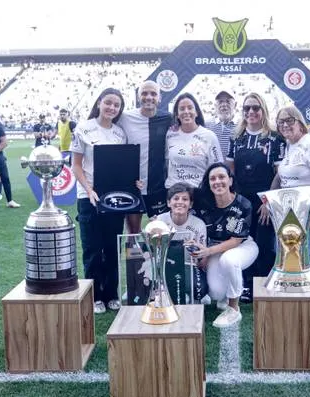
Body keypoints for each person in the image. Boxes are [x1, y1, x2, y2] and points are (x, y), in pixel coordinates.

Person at [70, 87, 127, 314]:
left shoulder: (119, 133)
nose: (112, 108)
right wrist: (89, 189)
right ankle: (95, 296)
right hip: (88, 197)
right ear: (99, 103)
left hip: (113, 199)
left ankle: (112, 294)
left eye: (116, 105)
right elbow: (76, 166)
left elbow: (122, 166)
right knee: (92, 248)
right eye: (108, 103)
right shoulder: (83, 129)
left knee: (112, 248)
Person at [226, 93, 285, 301]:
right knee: (241, 242)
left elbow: (279, 174)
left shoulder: (275, 138)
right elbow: (231, 171)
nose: (251, 112)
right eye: (247, 108)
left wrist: (268, 202)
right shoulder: (236, 138)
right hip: (242, 202)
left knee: (264, 243)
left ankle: (263, 285)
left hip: (264, 201)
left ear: (263, 110)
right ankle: (246, 286)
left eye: (256, 107)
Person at [193, 163, 259, 328]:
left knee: (229, 260)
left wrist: (207, 252)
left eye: (221, 177)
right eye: (212, 179)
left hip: (242, 246)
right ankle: (226, 293)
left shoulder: (243, 204)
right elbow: (180, 199)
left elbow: (236, 241)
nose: (217, 182)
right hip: (215, 248)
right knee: (215, 293)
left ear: (230, 180)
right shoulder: (203, 202)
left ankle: (234, 308)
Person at [273, 105, 310, 275]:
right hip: (291, 211)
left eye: (289, 120)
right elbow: (282, 176)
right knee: (292, 257)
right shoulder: (290, 145)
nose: (285, 125)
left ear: (300, 122)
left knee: (306, 256)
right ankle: (295, 296)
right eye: (281, 122)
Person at [118, 80, 172, 233]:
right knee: (133, 234)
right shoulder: (125, 117)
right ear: (138, 96)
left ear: (159, 98)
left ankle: (157, 258)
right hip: (133, 187)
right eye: (144, 93)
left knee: (160, 232)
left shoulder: (168, 119)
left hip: (158, 187)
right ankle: (135, 257)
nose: (149, 97)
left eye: (153, 94)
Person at [157, 183, 208, 303]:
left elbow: (203, 259)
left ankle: (192, 293)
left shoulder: (199, 224)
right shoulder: (160, 221)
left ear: (190, 204)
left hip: (188, 266)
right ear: (169, 203)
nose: (180, 202)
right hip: (165, 266)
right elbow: (150, 249)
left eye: (185, 199)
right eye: (176, 198)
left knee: (200, 290)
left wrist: (195, 250)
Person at [165, 92, 222, 190]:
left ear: (197, 112)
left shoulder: (209, 136)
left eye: (190, 108)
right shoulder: (170, 133)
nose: (186, 111)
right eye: (182, 109)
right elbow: (166, 162)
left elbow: (218, 169)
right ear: (177, 114)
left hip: (199, 192)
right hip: (174, 194)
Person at [206, 90, 236, 159]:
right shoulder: (206, 126)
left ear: (235, 105)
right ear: (215, 105)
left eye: (228, 101)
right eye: (220, 102)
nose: (224, 105)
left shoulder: (242, 126)